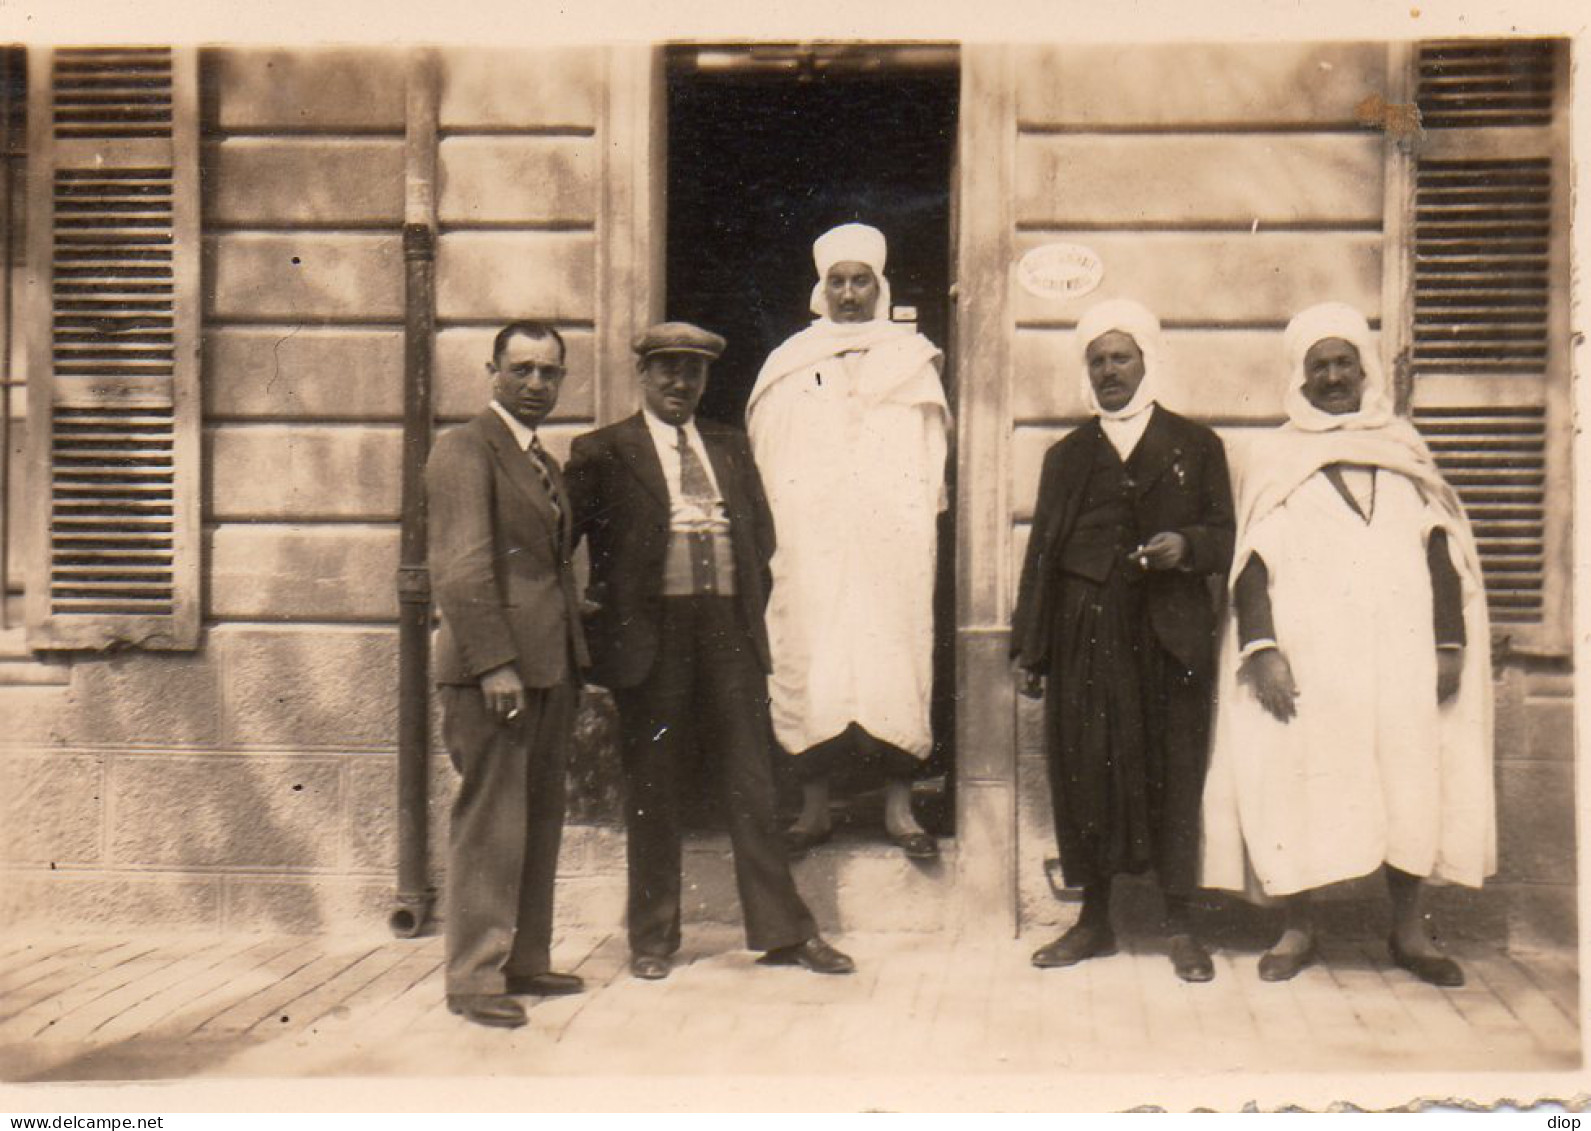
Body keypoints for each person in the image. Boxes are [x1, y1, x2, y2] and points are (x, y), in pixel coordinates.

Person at [1201, 302, 1494, 986]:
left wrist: (1447, 646)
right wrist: (1263, 649)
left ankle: (1408, 929)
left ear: (1364, 370)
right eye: (1318, 366)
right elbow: (1251, 563)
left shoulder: (1402, 447)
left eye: (1343, 363)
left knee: (1409, 781)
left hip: (1400, 657)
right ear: (1298, 378)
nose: (1333, 377)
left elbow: (1441, 552)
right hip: (1310, 660)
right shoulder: (1275, 454)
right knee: (1298, 778)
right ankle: (1298, 926)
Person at [565, 321, 855, 982]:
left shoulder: (728, 445)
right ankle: (651, 937)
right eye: (666, 368)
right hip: (651, 638)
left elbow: (762, 536)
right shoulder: (603, 450)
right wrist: (577, 608)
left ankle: (784, 931)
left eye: (691, 371)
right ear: (641, 373)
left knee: (753, 783)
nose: (678, 382)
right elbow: (554, 536)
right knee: (653, 787)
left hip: (728, 632)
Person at [1010, 299, 1234, 983]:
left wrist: (1186, 545)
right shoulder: (1067, 455)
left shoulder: (1196, 446)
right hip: (1086, 630)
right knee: (1086, 770)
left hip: (1167, 633)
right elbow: (1043, 550)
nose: (1108, 370)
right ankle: (1093, 920)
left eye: (1120, 357)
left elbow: (1226, 534)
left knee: (1173, 768)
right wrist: (1032, 648)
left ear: (1146, 360)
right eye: (1097, 360)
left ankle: (1179, 923)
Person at [746, 222, 951, 860]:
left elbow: (931, 455)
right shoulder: (788, 362)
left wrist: (909, 518)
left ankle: (899, 807)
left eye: (861, 280)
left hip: (891, 544)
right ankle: (812, 809)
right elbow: (766, 452)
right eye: (838, 282)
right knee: (811, 659)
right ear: (821, 289)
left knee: (894, 661)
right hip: (810, 545)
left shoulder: (912, 360)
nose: (850, 293)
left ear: (879, 286)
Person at [425, 321, 589, 1029]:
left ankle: (523, 959)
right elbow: (460, 568)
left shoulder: (541, 461)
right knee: (491, 823)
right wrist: (494, 663)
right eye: (520, 368)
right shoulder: (465, 448)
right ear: (491, 370)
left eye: (548, 372)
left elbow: (543, 569)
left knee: (539, 820)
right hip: (494, 673)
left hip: (547, 667)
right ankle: (472, 978)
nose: (534, 384)